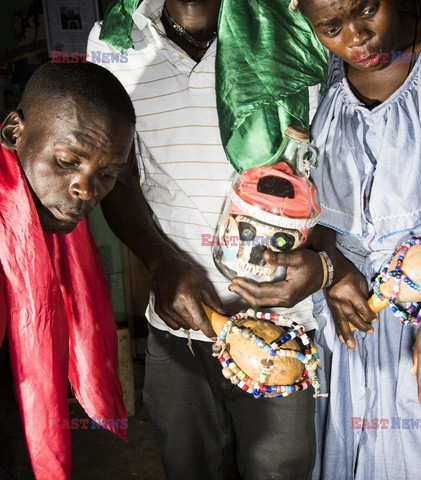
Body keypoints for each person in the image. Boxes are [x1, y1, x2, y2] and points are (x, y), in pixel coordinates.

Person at [87, 0, 323, 478]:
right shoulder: (111, 42)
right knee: (189, 467)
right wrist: (159, 261)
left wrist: (323, 266)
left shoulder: (294, 27)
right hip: (179, 328)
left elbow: (338, 165)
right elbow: (115, 177)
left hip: (280, 326)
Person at [281, 1, 421, 479]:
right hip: (354, 341)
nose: (357, 38)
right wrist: (330, 262)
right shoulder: (314, 78)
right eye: (330, 27)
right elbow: (322, 206)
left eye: (366, 9)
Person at [0, 61, 135, 479]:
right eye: (66, 161)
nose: (86, 189)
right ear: (13, 132)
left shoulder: (51, 226)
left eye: (107, 174)